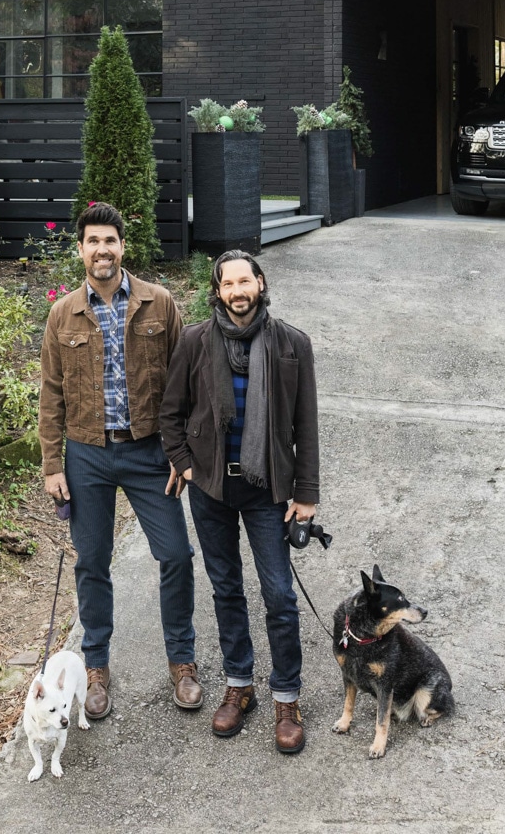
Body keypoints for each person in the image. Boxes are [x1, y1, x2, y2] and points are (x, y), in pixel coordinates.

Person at [38, 202, 201, 719]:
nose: (102, 250)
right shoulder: (63, 313)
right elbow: (50, 394)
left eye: (110, 241)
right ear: (81, 249)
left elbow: (186, 383)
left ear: (122, 246)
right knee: (91, 563)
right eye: (93, 241)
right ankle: (96, 667)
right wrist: (52, 464)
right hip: (87, 454)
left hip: (150, 451)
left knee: (176, 555)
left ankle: (182, 662)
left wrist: (182, 452)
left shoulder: (160, 303)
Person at [159, 249, 319, 754]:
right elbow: (171, 415)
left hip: (267, 490)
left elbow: (305, 428)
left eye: (244, 282)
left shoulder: (293, 345)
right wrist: (186, 465)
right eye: (227, 285)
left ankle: (286, 698)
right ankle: (239, 686)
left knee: (279, 596)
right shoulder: (194, 342)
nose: (237, 292)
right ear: (218, 291)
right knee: (226, 590)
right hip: (212, 491)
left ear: (260, 282)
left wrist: (307, 495)